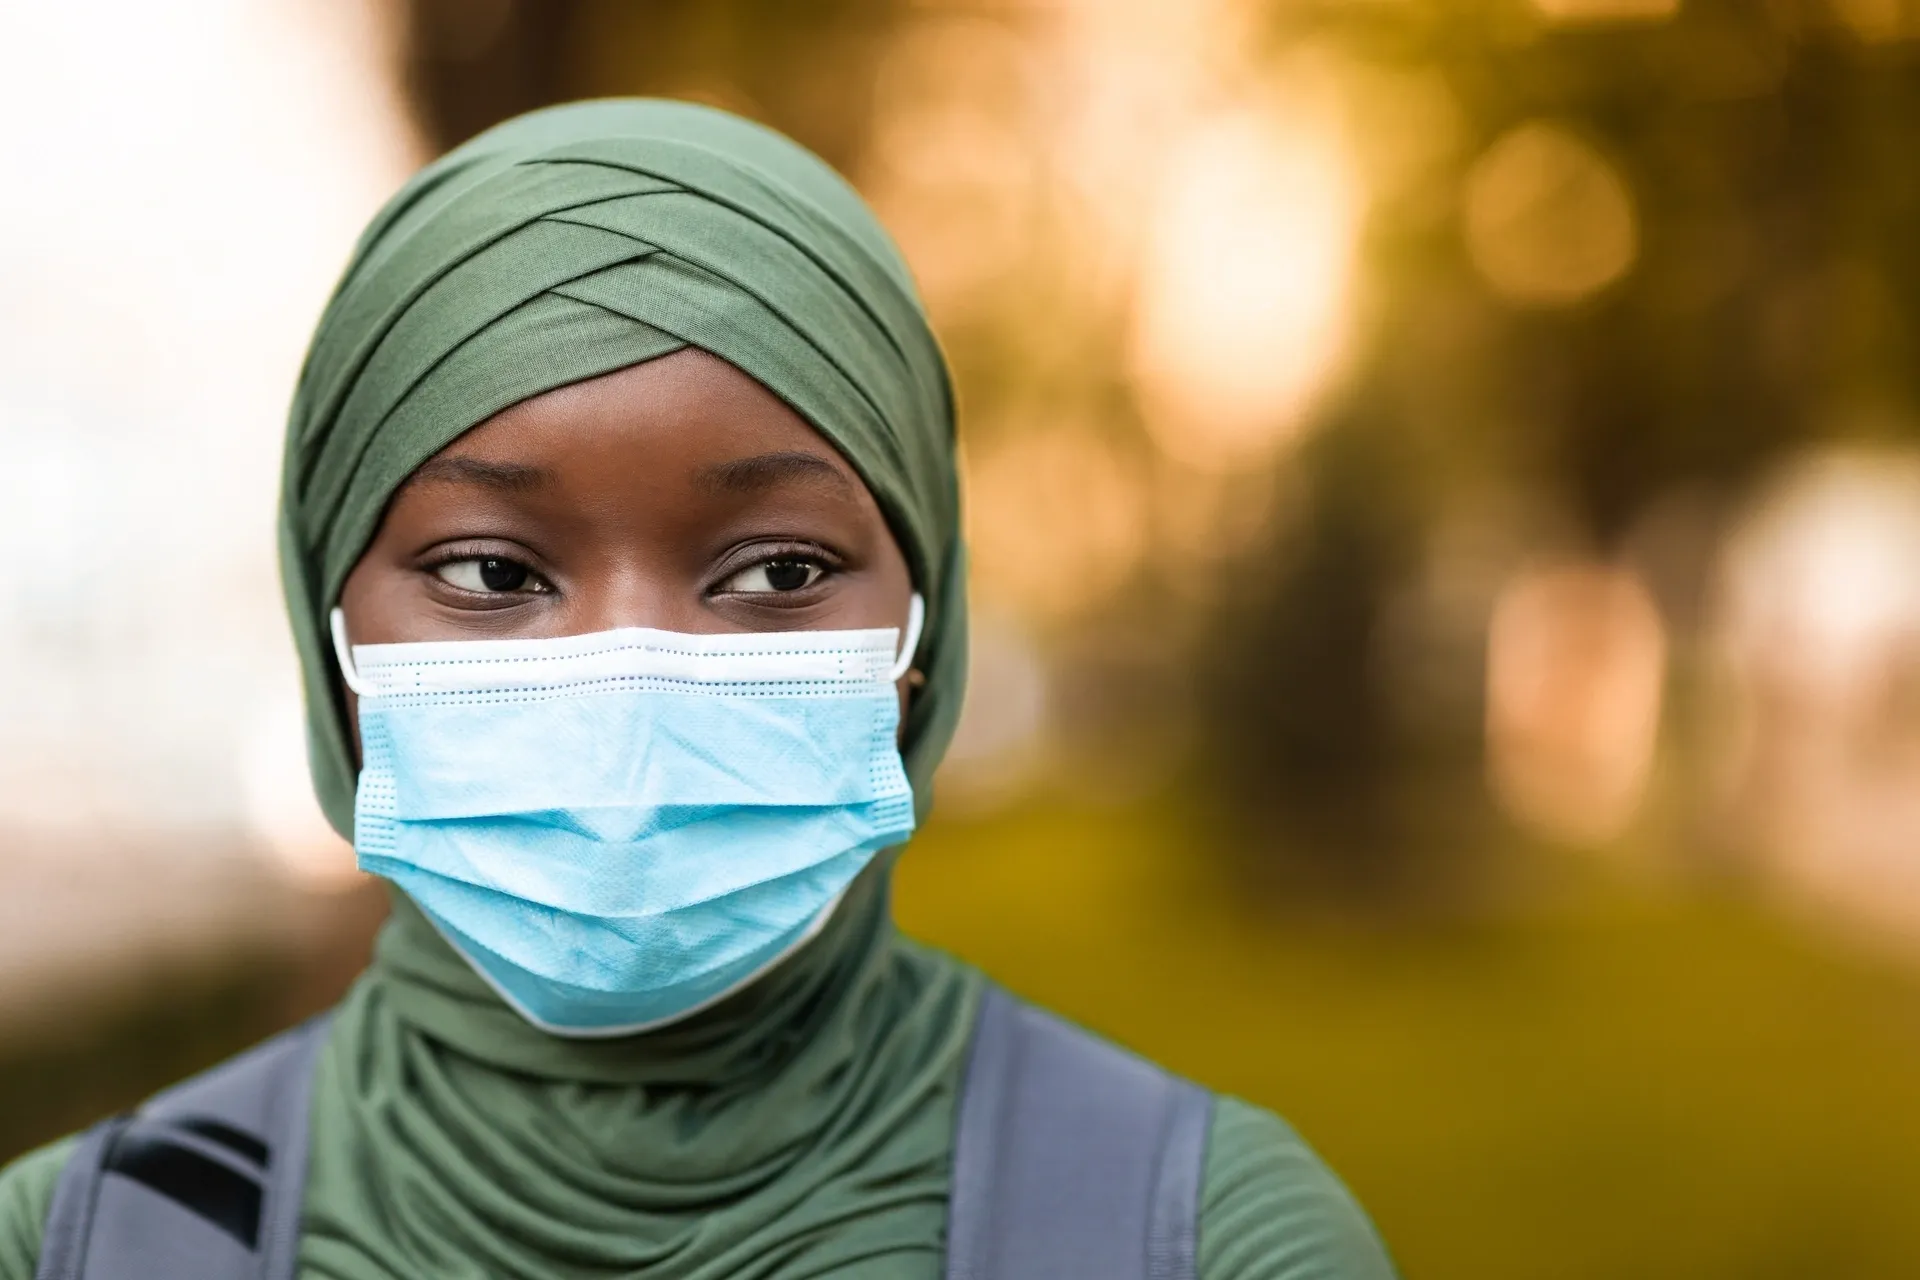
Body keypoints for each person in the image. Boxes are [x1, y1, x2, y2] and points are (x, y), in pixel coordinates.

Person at [0, 100, 1396, 1280]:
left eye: (779, 569)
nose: (630, 680)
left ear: (925, 630)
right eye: (491, 574)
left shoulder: (1199, 1238)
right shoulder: (81, 1243)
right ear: (331, 636)